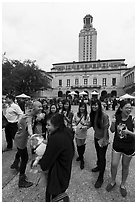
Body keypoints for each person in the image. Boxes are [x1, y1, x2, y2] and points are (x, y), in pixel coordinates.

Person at [39, 113, 75, 202]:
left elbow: (45, 164)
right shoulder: (67, 132)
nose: (46, 127)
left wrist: (39, 160)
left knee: (52, 197)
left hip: (56, 177)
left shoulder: (55, 138)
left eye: (48, 125)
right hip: (65, 171)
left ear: (57, 125)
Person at [10, 101, 43, 188]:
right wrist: (32, 135)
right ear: (33, 107)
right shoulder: (28, 117)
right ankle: (21, 181)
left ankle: (15, 163)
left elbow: (22, 123)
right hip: (21, 140)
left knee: (20, 152)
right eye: (39, 107)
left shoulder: (30, 115)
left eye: (41, 106)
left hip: (19, 138)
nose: (41, 108)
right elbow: (29, 127)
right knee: (25, 159)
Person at [106, 100, 135, 197]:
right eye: (127, 107)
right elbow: (112, 130)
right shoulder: (117, 118)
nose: (129, 109)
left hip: (129, 147)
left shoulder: (133, 119)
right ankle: (113, 181)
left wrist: (128, 132)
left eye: (130, 107)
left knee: (125, 166)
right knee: (114, 164)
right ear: (121, 109)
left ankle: (123, 185)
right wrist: (113, 123)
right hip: (117, 145)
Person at [89, 99, 110, 188]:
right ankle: (99, 166)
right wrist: (86, 125)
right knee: (98, 155)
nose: (94, 106)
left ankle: (101, 177)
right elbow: (92, 124)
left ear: (99, 105)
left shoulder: (104, 115)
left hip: (103, 138)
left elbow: (106, 128)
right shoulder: (93, 114)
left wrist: (104, 139)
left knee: (102, 157)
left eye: (96, 105)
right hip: (96, 137)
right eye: (93, 105)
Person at [73, 102, 90, 169]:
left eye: (83, 107)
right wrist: (74, 128)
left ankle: (81, 157)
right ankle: (80, 156)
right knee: (78, 145)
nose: (82, 108)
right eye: (81, 107)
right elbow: (73, 122)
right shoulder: (76, 114)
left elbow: (88, 124)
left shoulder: (87, 115)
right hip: (77, 131)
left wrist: (85, 127)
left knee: (82, 145)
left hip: (83, 132)